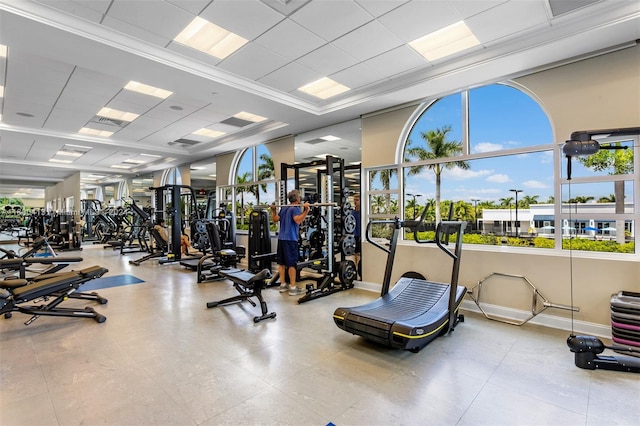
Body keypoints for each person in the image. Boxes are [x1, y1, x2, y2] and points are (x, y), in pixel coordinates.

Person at [270, 189, 310, 296]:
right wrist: (306, 210)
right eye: (300, 197)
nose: (300, 198)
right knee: (291, 264)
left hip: (281, 239)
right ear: (297, 199)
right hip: (290, 239)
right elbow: (298, 220)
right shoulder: (294, 209)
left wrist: (273, 210)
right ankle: (293, 288)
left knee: (282, 263)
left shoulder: (285, 208)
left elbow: (275, 218)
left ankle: (283, 285)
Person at [352, 193, 361, 280]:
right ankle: (355, 269)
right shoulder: (352, 212)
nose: (355, 202)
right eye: (354, 200)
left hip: (361, 235)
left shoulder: (363, 212)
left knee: (360, 254)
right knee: (355, 253)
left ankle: (360, 269)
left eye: (357, 200)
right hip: (354, 235)